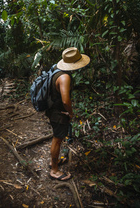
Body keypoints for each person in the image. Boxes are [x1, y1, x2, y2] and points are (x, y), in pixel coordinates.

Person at [46, 47, 90, 181]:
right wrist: (70, 113)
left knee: (57, 138)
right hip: (59, 113)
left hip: (53, 109)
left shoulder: (57, 71)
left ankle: (53, 162)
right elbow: (65, 100)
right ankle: (54, 170)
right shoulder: (64, 77)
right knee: (57, 139)